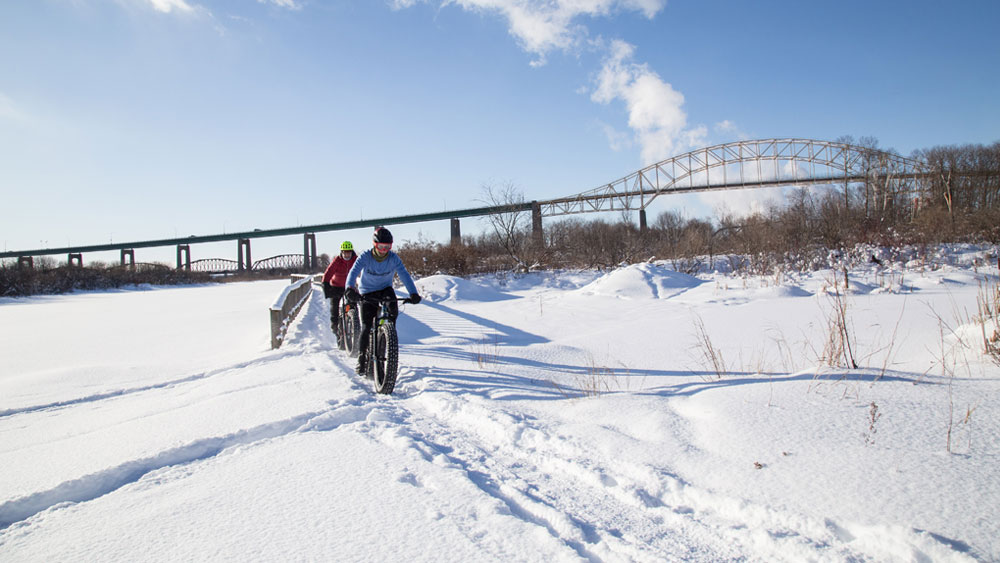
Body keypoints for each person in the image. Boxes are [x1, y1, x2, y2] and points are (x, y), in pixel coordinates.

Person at [344, 227, 421, 374]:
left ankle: (387, 337)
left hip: (385, 289)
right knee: (366, 325)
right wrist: (349, 288)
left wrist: (413, 293)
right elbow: (353, 272)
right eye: (381, 246)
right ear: (374, 244)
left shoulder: (393, 258)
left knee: (393, 309)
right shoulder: (365, 257)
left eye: (387, 247)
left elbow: (404, 274)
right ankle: (362, 357)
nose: (384, 250)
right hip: (367, 292)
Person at [322, 241, 358, 345]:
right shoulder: (337, 261)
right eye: (345, 253)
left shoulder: (355, 260)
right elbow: (328, 272)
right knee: (335, 311)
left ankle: (354, 327)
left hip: (349, 287)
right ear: (341, 252)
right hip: (336, 287)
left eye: (349, 253)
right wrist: (325, 285)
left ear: (352, 252)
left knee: (352, 307)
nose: (347, 255)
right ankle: (336, 330)